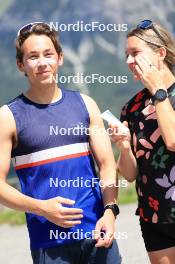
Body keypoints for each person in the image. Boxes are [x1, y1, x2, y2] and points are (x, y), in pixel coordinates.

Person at [0, 22, 121, 264]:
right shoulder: (8, 117)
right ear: (20, 64)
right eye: (33, 56)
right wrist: (42, 208)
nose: (42, 62)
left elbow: (107, 164)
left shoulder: (86, 105)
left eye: (48, 54)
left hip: (98, 234)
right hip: (49, 244)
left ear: (60, 58)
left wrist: (110, 211)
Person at [110, 19, 175, 263]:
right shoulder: (132, 107)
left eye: (135, 53)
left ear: (160, 53)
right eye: (127, 54)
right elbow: (129, 174)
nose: (129, 61)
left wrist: (160, 92)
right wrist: (124, 147)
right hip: (154, 216)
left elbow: (173, 141)